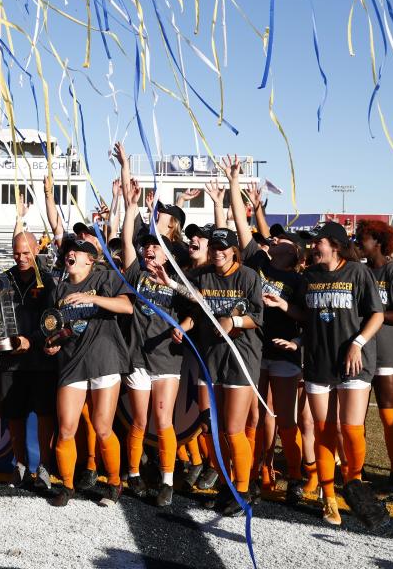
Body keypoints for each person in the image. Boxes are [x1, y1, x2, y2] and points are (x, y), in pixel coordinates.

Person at [263, 221, 387, 528]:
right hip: (319, 362)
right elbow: (307, 317)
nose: (310, 247)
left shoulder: (357, 273)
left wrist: (357, 344)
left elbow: (377, 314)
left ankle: (355, 487)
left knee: (352, 429)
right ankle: (329, 496)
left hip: (353, 362)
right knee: (324, 430)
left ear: (333, 244)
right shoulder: (310, 275)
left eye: (316, 241)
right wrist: (284, 309)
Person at [224, 160, 307, 504]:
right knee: (257, 416)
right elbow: (243, 226)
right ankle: (262, 471)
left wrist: (282, 306)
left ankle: (297, 477)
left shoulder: (297, 280)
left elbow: (305, 317)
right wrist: (234, 182)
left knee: (285, 419)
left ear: (294, 253)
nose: (276, 240)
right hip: (255, 350)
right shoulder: (258, 260)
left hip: (284, 353)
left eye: (284, 241)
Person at [178, 226, 263, 516]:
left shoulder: (249, 276)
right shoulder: (203, 275)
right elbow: (192, 299)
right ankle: (226, 482)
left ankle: (242, 490)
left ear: (234, 249)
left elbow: (257, 318)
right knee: (209, 426)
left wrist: (234, 323)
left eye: (223, 247)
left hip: (240, 359)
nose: (217, 252)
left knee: (233, 429)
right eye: (213, 247)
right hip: (209, 358)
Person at [45, 238, 134, 508]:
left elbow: (127, 307)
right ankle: (68, 485)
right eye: (68, 250)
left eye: (78, 251)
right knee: (66, 428)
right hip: (72, 360)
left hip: (103, 357)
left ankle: (115, 482)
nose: (70, 253)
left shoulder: (105, 277)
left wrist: (91, 297)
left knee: (102, 426)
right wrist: (51, 342)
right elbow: (56, 327)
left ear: (90, 260)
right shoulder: (58, 288)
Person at [120, 178, 185, 507]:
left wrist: (172, 285)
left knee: (163, 421)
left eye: (155, 245)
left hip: (167, 360)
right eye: (147, 245)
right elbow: (126, 241)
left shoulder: (178, 275)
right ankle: (133, 474)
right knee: (140, 421)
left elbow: (197, 304)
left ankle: (167, 481)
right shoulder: (135, 273)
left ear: (168, 250)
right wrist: (131, 206)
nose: (149, 249)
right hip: (138, 359)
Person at [356, 220, 393, 494]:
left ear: (377, 242)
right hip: (361, 353)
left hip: (387, 354)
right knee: (357, 418)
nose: (358, 242)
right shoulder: (360, 271)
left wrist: (372, 317)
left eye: (362, 238)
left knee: (389, 415)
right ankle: (358, 468)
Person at [0, 231, 56, 492]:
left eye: (26, 252)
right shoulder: (3, 280)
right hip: (10, 358)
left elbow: (53, 319)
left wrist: (32, 339)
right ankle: (20, 464)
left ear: (36, 250)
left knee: (44, 414)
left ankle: (44, 466)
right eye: (16, 252)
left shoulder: (49, 282)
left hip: (40, 359)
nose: (21, 257)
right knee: (14, 415)